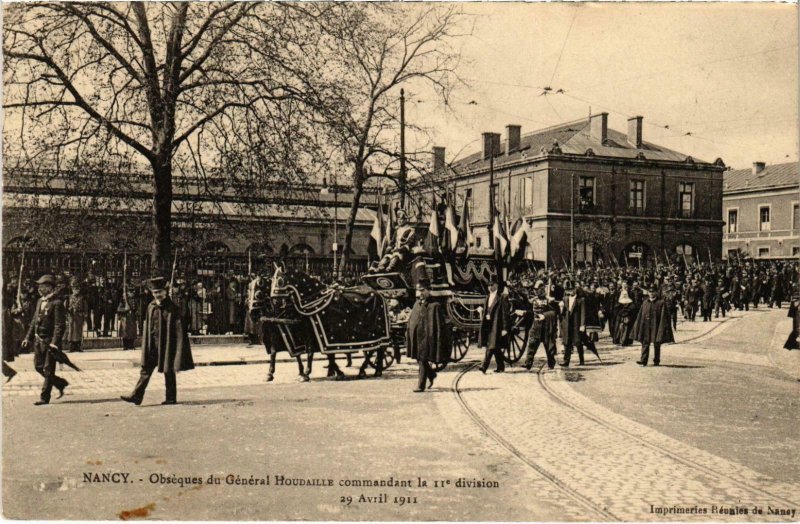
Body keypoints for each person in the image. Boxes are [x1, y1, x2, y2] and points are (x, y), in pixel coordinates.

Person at [121, 277, 194, 406]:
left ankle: (171, 398)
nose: (157, 295)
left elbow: (178, 330)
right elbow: (148, 327)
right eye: (155, 293)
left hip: (166, 345)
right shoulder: (151, 306)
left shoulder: (172, 308)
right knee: (145, 370)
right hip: (153, 345)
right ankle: (137, 396)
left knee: (169, 371)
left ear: (165, 292)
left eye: (159, 292)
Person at [22, 275, 70, 406]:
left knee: (48, 369)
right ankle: (60, 382)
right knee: (38, 367)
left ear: (50, 288)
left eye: (42, 286)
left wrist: (55, 342)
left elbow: (59, 325)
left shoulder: (57, 303)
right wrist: (28, 338)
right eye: (39, 286)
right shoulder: (39, 301)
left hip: (50, 342)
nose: (39, 288)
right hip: (39, 341)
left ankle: (44, 397)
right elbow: (34, 321)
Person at [405, 279, 449, 392]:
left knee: (423, 359)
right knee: (419, 359)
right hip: (417, 337)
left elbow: (439, 326)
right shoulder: (416, 304)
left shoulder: (435, 306)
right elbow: (412, 320)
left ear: (429, 290)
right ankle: (431, 374)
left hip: (427, 338)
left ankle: (421, 385)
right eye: (419, 290)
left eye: (423, 290)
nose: (420, 293)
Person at [632, 283, 674, 366]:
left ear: (656, 292)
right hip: (646, 326)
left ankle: (656, 360)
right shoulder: (645, 303)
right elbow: (640, 315)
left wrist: (662, 327)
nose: (651, 293)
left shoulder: (661, 303)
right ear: (648, 293)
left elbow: (663, 317)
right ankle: (643, 360)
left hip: (656, 326)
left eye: (653, 292)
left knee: (657, 343)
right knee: (645, 342)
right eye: (650, 292)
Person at [522, 280, 558, 370]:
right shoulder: (533, 300)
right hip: (536, 325)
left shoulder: (549, 300)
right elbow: (530, 311)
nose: (537, 291)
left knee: (549, 346)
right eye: (536, 289)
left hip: (546, 326)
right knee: (532, 344)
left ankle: (551, 363)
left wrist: (545, 316)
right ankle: (528, 363)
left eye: (539, 289)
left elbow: (554, 313)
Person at [478, 275, 510, 374]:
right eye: (488, 285)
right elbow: (488, 310)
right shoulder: (488, 297)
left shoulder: (502, 297)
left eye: (491, 285)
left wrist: (505, 328)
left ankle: (484, 366)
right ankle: (501, 366)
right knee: (495, 347)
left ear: (496, 285)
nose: (489, 287)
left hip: (497, 325)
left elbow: (505, 314)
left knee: (491, 346)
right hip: (488, 324)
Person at [64, 277, 88, 352]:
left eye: (77, 289)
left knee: (79, 331)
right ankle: (71, 346)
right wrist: (67, 314)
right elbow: (65, 307)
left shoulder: (82, 298)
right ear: (72, 289)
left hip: (79, 315)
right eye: (74, 289)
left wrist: (85, 315)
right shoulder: (68, 297)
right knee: (71, 330)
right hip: (71, 316)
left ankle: (78, 346)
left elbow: (85, 306)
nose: (76, 290)